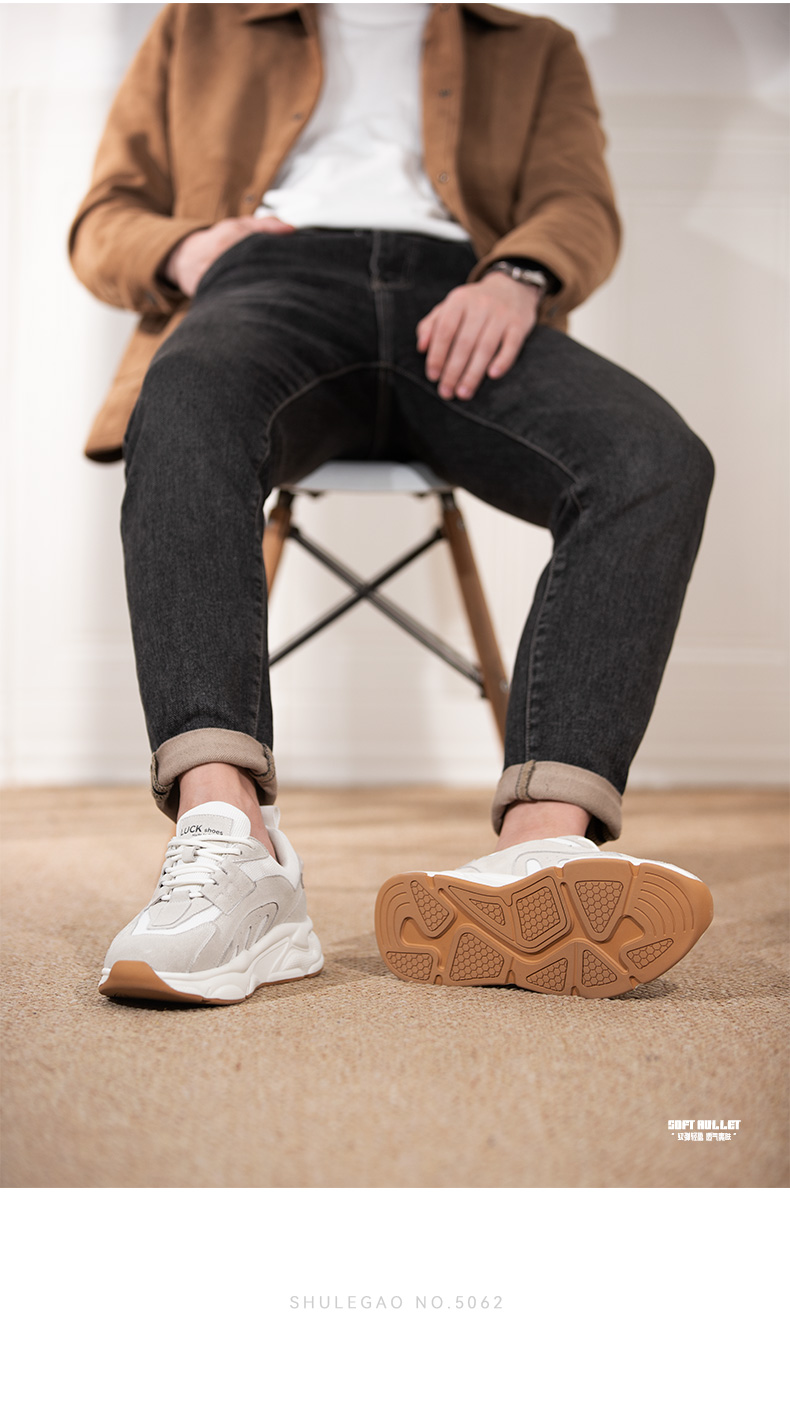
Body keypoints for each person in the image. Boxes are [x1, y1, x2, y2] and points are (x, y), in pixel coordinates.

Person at [69, 2, 715, 1005]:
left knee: (652, 460)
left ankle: (540, 850)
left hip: (463, 298)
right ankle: (230, 840)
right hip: (267, 282)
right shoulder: (200, 23)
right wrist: (191, 252)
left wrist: (518, 275)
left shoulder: (532, 46)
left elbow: (576, 202)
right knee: (184, 399)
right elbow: (106, 216)